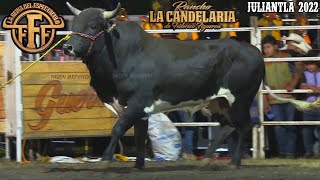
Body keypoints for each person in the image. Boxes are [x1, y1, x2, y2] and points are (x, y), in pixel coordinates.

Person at [262, 35, 299, 158]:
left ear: (276, 46)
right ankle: (283, 153)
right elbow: (262, 84)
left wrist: (292, 84)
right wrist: (265, 101)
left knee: (290, 126)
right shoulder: (263, 62)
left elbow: (297, 73)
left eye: (268, 47)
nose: (266, 50)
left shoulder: (286, 57)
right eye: (264, 48)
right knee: (279, 127)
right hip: (273, 100)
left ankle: (290, 153)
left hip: (288, 97)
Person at [300, 61, 320, 158]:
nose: (309, 66)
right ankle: (308, 152)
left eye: (311, 64)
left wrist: (316, 89)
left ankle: (317, 152)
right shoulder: (304, 74)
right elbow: (302, 86)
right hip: (309, 105)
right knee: (307, 130)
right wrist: (312, 87)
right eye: (307, 64)